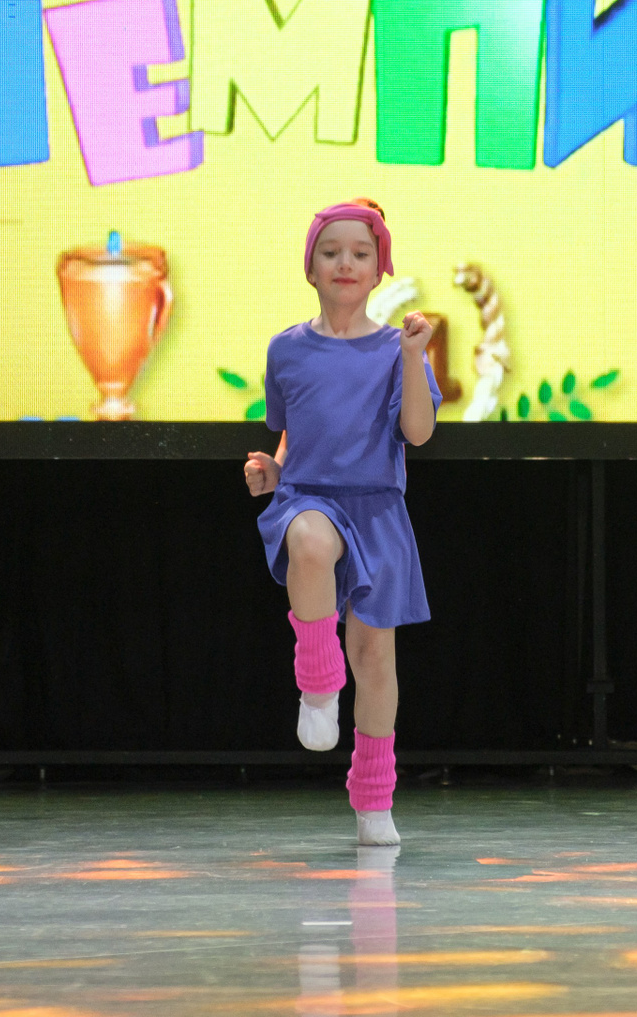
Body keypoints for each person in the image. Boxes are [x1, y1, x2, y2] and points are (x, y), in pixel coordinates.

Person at [244, 200, 440, 846]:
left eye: (360, 253)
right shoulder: (286, 349)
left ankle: (373, 798)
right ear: (311, 267)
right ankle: (318, 683)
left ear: (380, 269)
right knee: (306, 539)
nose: (345, 263)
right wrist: (274, 470)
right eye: (331, 253)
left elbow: (417, 431)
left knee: (376, 658)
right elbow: (291, 433)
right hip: (309, 497)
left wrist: (412, 357)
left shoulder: (396, 349)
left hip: (377, 507)